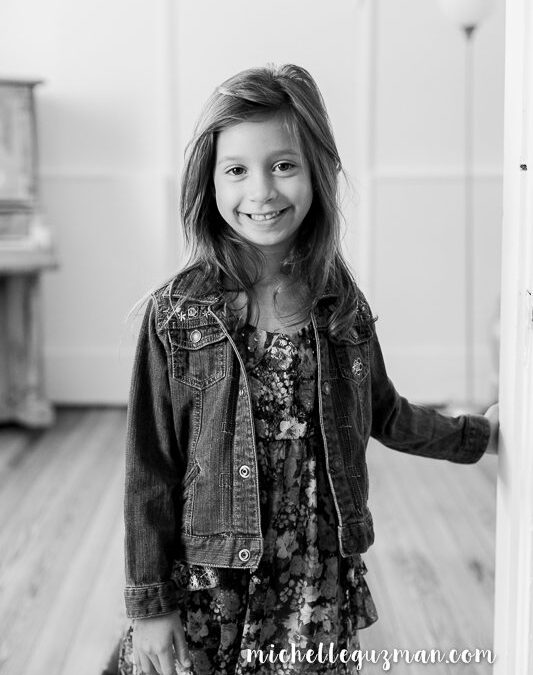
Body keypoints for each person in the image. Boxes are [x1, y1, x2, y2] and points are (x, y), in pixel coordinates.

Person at [117, 64, 499, 675]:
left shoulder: (339, 303)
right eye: (236, 170)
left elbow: (384, 412)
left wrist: (479, 436)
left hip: (313, 577)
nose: (262, 191)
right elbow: (150, 470)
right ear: (207, 182)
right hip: (211, 581)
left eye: (283, 165)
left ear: (316, 172)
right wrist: (149, 607)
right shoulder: (176, 314)